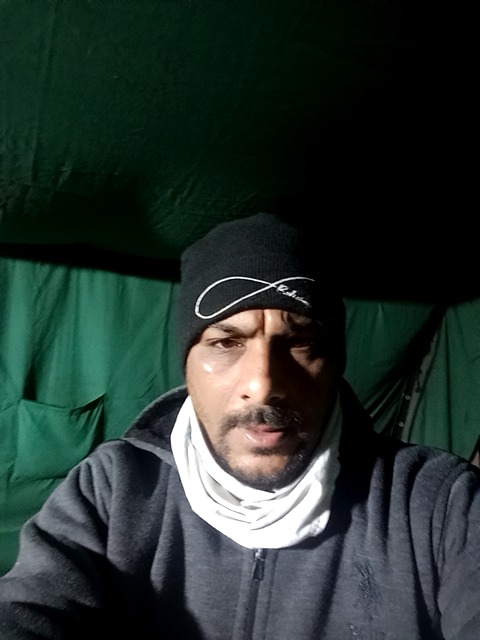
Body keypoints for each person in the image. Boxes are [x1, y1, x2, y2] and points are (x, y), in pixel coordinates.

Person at [0, 212, 479, 640]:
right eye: (227, 343)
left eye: (302, 343)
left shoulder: (437, 503)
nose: (263, 385)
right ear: (187, 366)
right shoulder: (112, 488)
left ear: (336, 363)